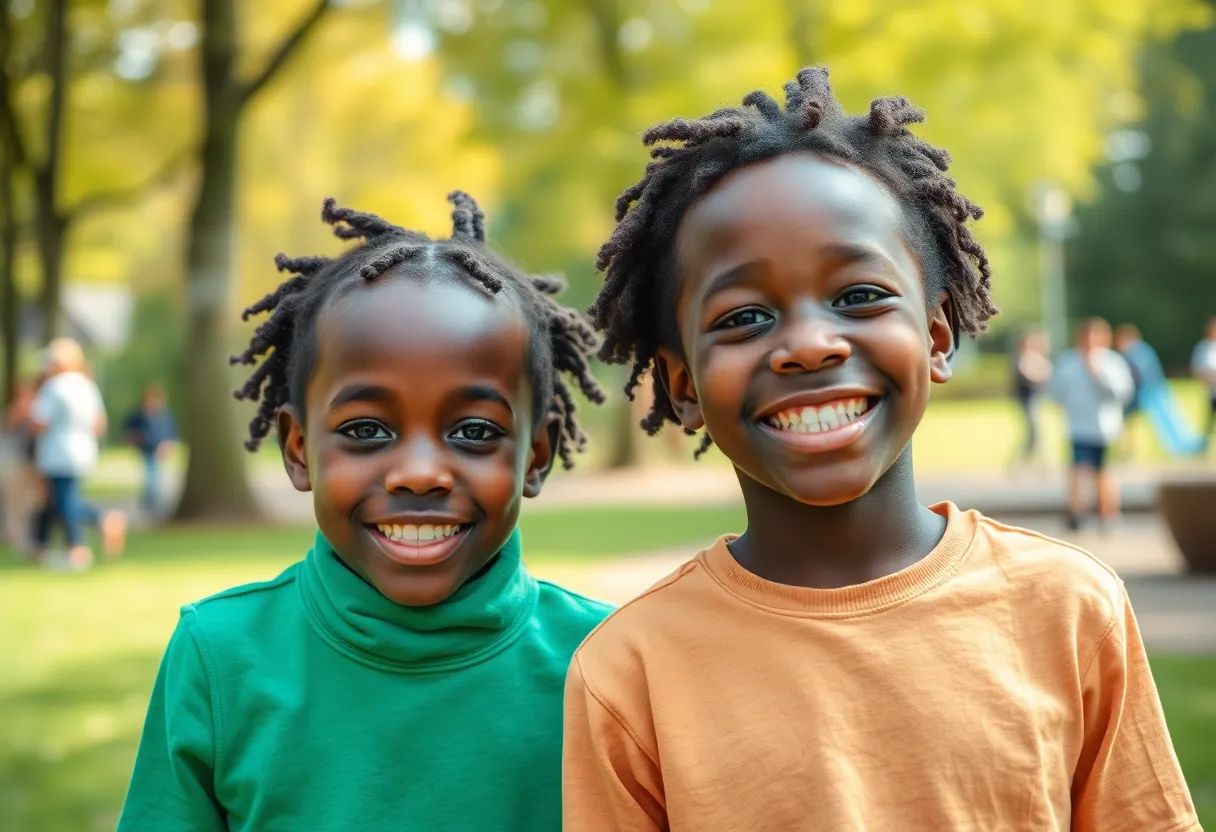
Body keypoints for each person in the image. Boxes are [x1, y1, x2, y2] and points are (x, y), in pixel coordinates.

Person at [565, 67, 1199, 831]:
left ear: (935, 337)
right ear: (683, 386)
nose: (808, 345)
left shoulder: (1067, 608)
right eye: (743, 318)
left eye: (859, 297)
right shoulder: (631, 669)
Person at [118, 194, 612, 831]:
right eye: (368, 430)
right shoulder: (220, 657)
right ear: (299, 450)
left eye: (473, 432)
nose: (419, 473)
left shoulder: (600, 664)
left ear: (536, 456)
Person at [27, 338, 126, 568]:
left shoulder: (54, 386)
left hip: (57, 452)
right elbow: (99, 423)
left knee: (65, 502)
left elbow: (39, 421)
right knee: (57, 501)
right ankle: (39, 546)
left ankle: (82, 543)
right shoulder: (87, 385)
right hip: (82, 449)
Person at [1048, 319, 1135, 530]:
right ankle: (1077, 513)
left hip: (1106, 428)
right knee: (1078, 471)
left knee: (1104, 473)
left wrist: (1098, 373)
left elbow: (1122, 393)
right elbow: (1056, 392)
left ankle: (1108, 514)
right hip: (1078, 426)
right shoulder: (1068, 362)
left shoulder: (1112, 363)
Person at [0, 378, 42, 552]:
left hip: (22, 464)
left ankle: (16, 537)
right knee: (15, 504)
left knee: (26, 503)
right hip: (12, 464)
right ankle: (14, 538)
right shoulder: (16, 412)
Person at [123, 384, 177, 515]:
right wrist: (133, 439)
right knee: (151, 476)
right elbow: (128, 429)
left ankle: (153, 503)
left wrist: (167, 444)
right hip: (145, 449)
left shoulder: (163, 415)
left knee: (157, 477)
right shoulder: (138, 415)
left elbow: (170, 432)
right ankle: (151, 503)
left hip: (159, 449)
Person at [1010, 328, 1051, 467]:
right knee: (1033, 432)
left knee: (1036, 432)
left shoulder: (1035, 358)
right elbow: (1030, 376)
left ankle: (1037, 461)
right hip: (1027, 400)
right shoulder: (1021, 359)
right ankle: (1027, 460)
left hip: (1036, 399)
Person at [1192, 316, 1216, 450]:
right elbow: (1197, 370)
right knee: (1209, 422)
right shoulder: (1203, 348)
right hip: (1211, 390)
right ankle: (1205, 446)